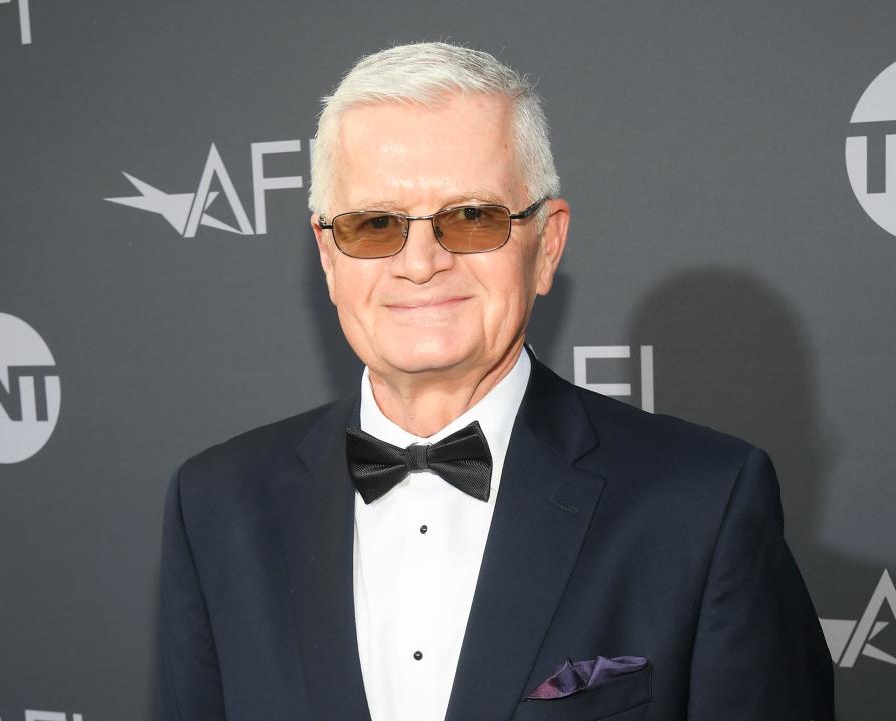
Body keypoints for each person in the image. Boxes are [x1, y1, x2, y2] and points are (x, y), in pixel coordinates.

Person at [157, 42, 834, 721]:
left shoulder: (701, 503)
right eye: (374, 224)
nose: (420, 263)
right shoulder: (219, 503)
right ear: (328, 255)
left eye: (471, 217)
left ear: (546, 244)